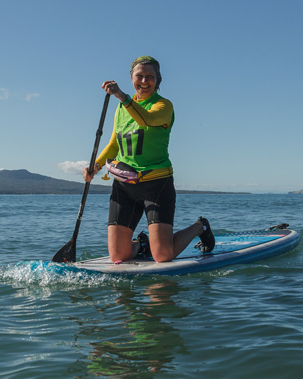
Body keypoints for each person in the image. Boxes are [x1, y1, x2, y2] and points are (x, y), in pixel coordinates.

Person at [83, 56, 215, 263]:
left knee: (163, 256)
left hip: (156, 184)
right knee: (118, 256)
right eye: (139, 76)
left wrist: (121, 96)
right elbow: (114, 144)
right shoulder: (121, 108)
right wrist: (96, 166)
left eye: (150, 77)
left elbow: (147, 119)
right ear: (132, 78)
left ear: (158, 80)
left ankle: (200, 227)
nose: (144, 81)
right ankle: (142, 244)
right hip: (124, 185)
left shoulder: (163, 106)